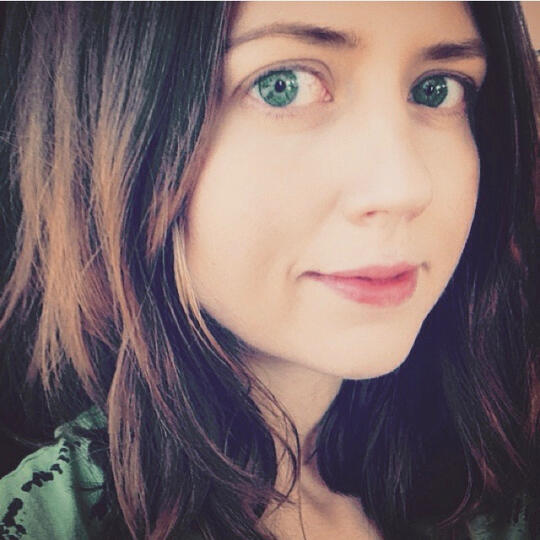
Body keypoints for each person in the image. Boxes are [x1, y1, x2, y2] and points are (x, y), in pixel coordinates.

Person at [0, 2, 537, 539]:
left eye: (437, 89)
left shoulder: (502, 482)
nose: (404, 188)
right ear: (112, 128)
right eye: (282, 85)